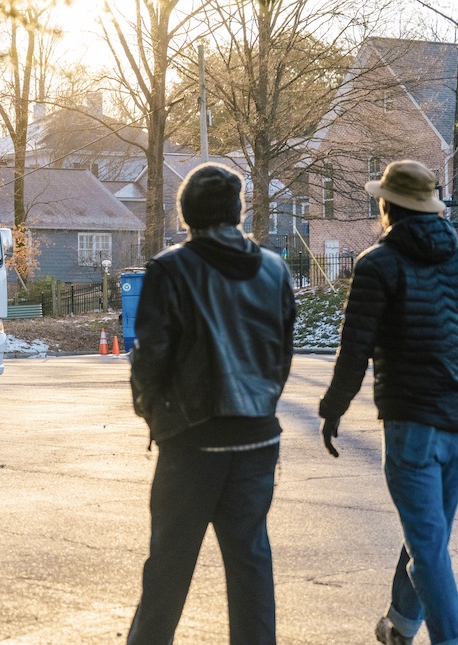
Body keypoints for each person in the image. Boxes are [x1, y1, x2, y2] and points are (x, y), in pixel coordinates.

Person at [128, 162, 295, 645]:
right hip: (257, 435)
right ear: (238, 211)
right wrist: (260, 405)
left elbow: (151, 357)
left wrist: (154, 416)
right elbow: (281, 353)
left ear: (186, 214)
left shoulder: (170, 269)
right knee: (251, 565)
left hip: (191, 438)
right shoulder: (274, 268)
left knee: (168, 568)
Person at [319, 159, 458, 645]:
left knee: (427, 546)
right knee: (430, 537)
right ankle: (401, 623)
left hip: (411, 421)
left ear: (387, 207)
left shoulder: (377, 263)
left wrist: (333, 408)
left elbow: (355, 348)